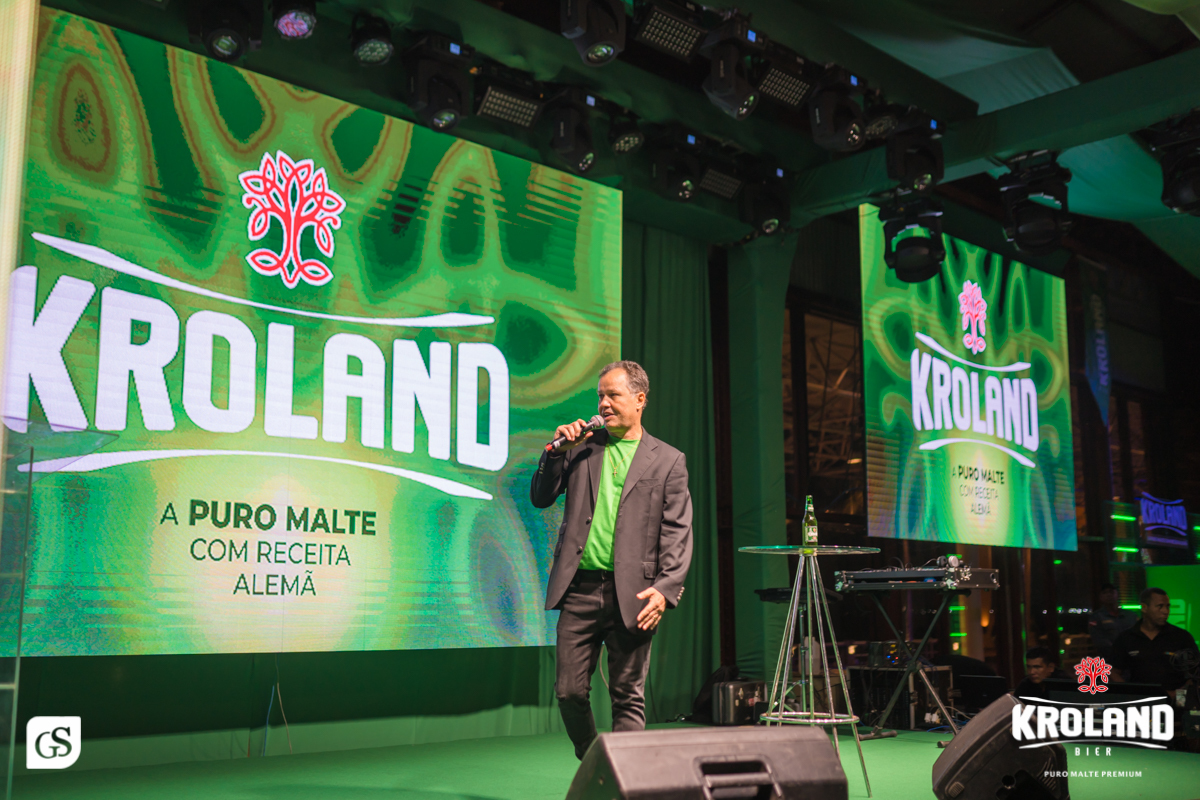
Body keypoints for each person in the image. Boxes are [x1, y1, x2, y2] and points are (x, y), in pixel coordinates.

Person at [530, 360, 693, 759]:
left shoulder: (668, 460)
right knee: (568, 691)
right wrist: (555, 453)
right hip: (580, 589)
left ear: (639, 400)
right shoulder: (580, 447)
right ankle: (595, 762)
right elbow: (540, 497)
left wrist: (666, 589)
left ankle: (627, 784)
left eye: (613, 395)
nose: (603, 403)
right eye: (600, 395)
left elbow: (677, 530)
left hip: (635, 594)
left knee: (628, 697)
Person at [1110, 587, 1198, 692]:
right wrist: (1131, 694)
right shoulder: (1126, 638)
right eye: (1160, 606)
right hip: (1141, 704)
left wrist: (1178, 698)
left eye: (1167, 606)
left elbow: (1195, 674)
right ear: (1144, 608)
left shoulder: (1181, 637)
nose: (1165, 611)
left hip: (1176, 703)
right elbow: (1113, 672)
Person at [1088, 582, 1137, 660]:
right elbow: (1099, 640)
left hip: (1133, 658)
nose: (1108, 595)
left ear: (1117, 594)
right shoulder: (1096, 617)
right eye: (1104, 593)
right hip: (1110, 659)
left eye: (1111, 592)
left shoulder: (1130, 615)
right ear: (1100, 597)